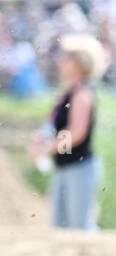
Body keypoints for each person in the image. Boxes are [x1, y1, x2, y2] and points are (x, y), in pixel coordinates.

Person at [44, 35, 106, 230]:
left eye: (67, 58)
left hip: (79, 168)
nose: (61, 62)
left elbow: (76, 132)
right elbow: (58, 127)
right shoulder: (68, 93)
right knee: (60, 225)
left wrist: (49, 147)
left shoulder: (82, 93)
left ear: (79, 63)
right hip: (66, 167)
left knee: (80, 225)